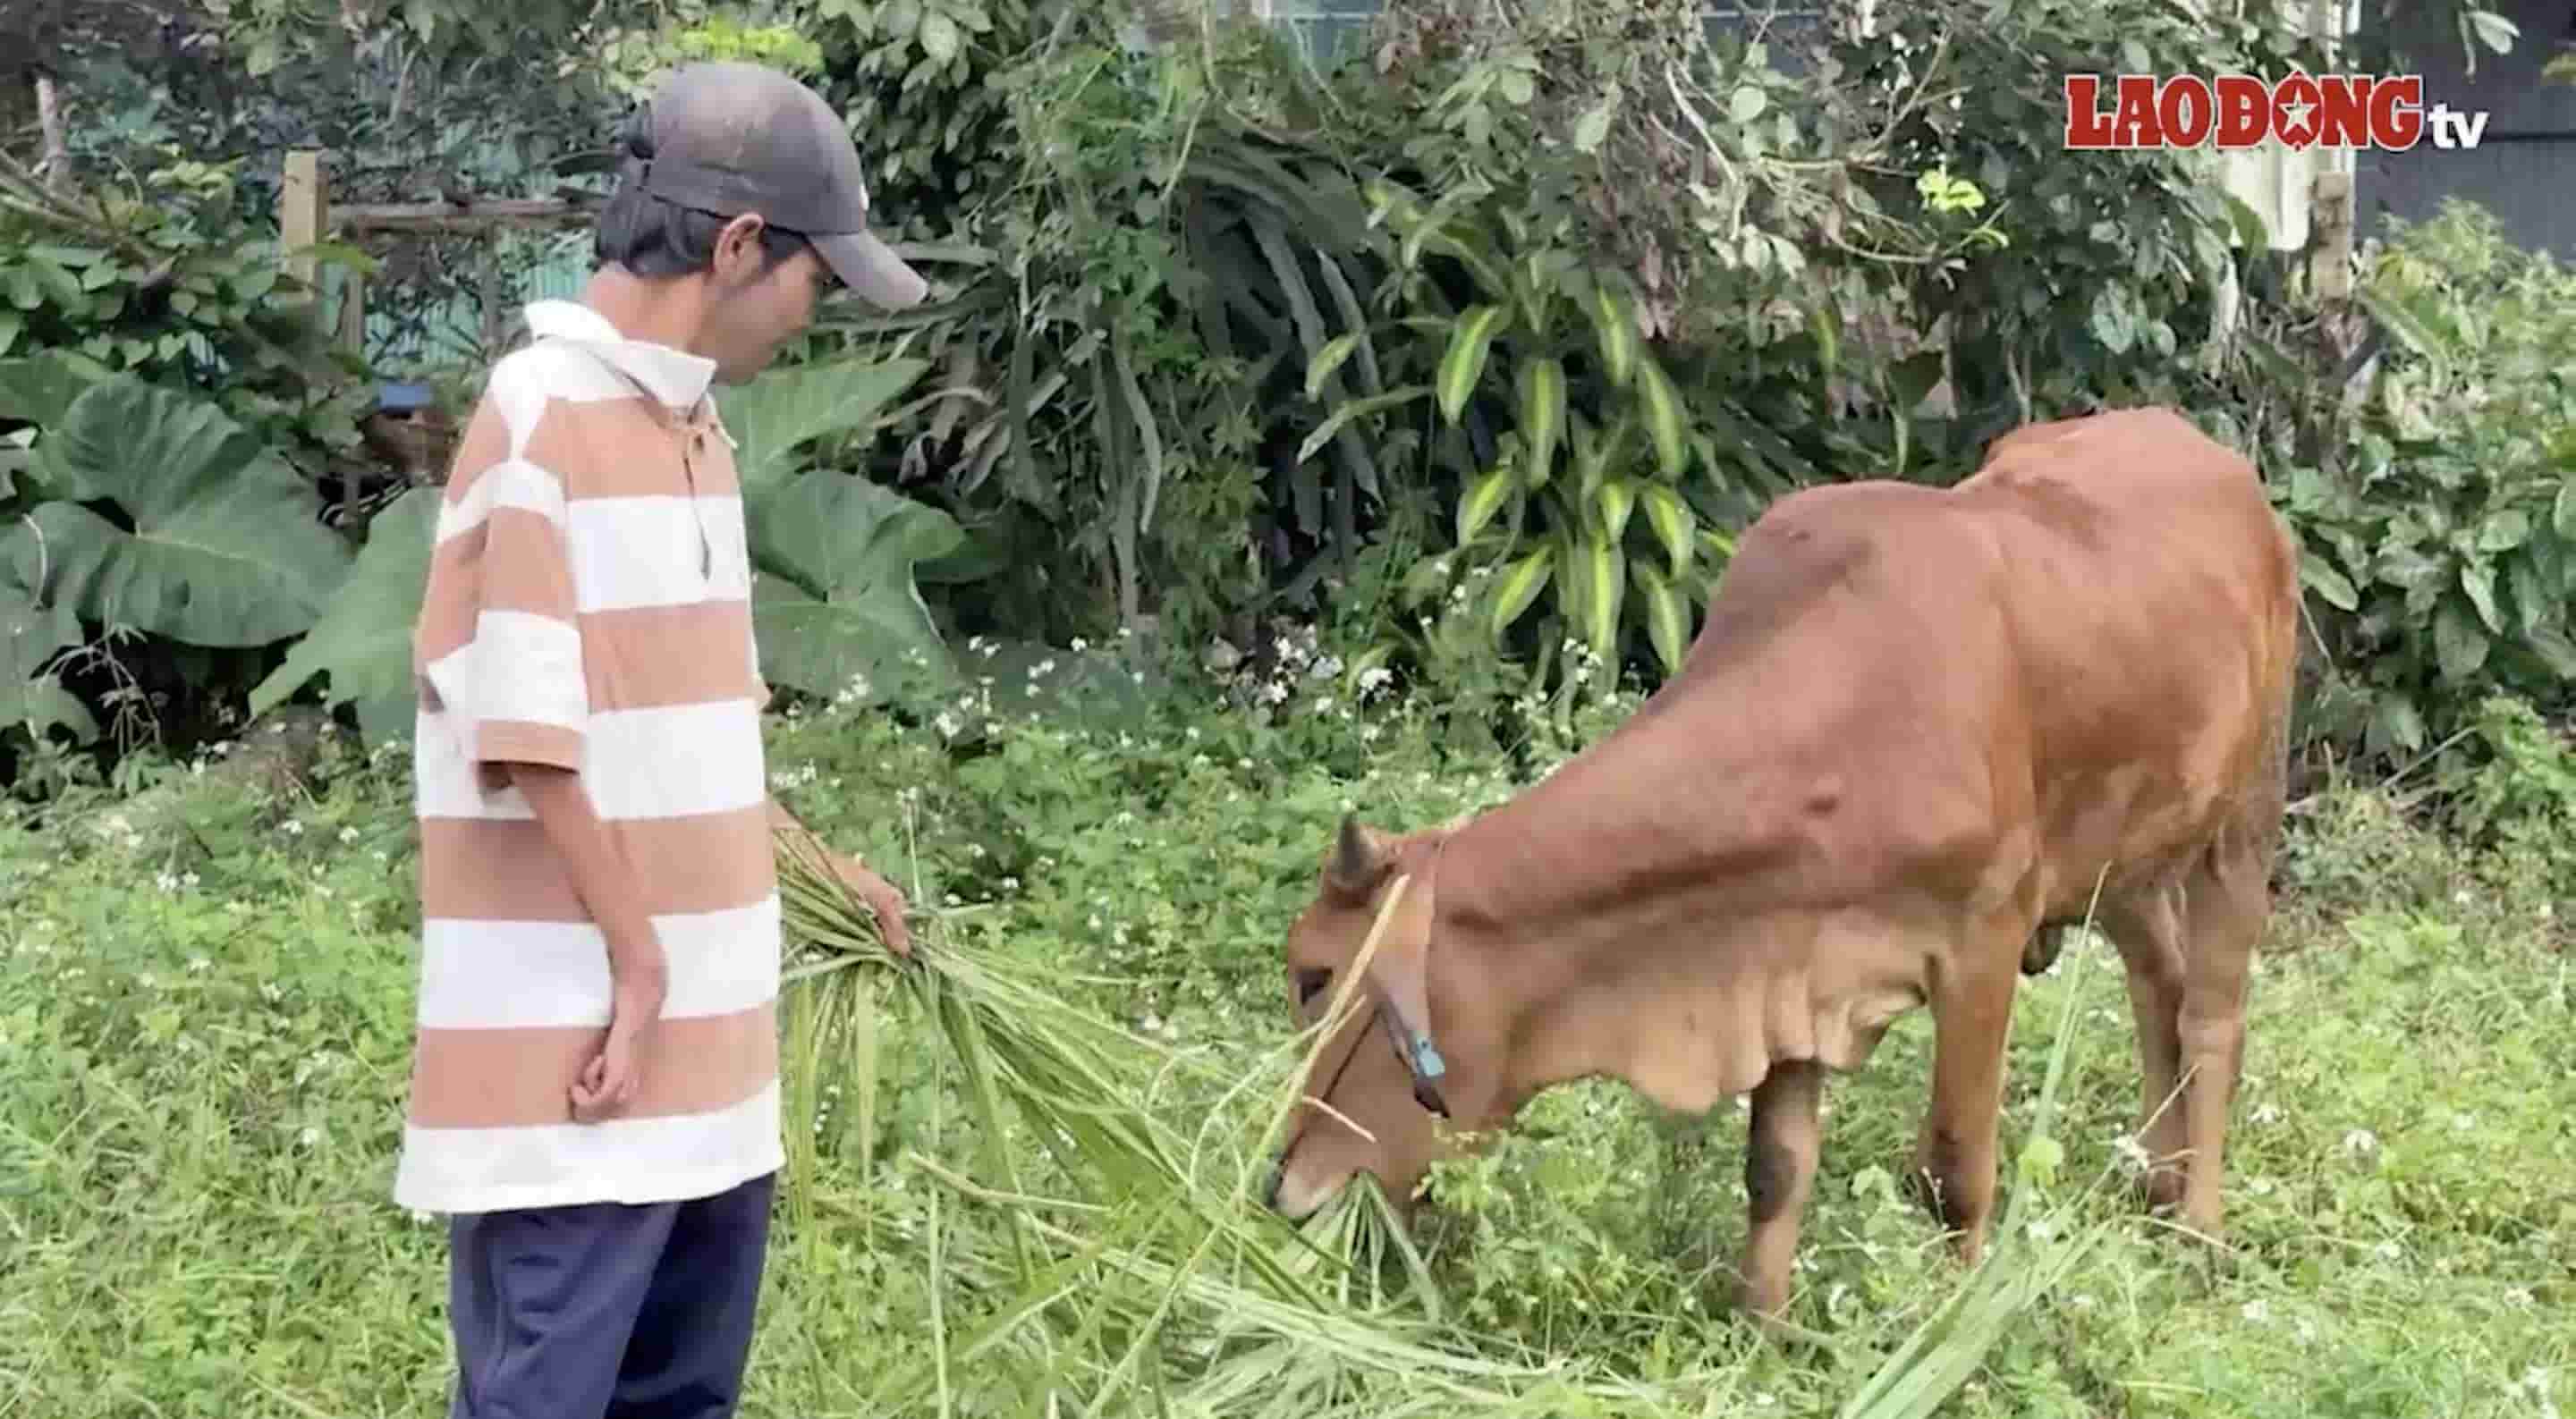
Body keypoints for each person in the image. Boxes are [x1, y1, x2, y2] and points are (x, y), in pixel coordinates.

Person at [396, 60, 924, 1418]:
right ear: (741, 246)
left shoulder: (696, 433)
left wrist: (815, 866)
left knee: (684, 1400)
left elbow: (690, 726)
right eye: (817, 281)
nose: (813, 318)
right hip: (579, 1075)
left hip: (709, 1078)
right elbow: (525, 733)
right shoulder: (538, 414)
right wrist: (640, 969)